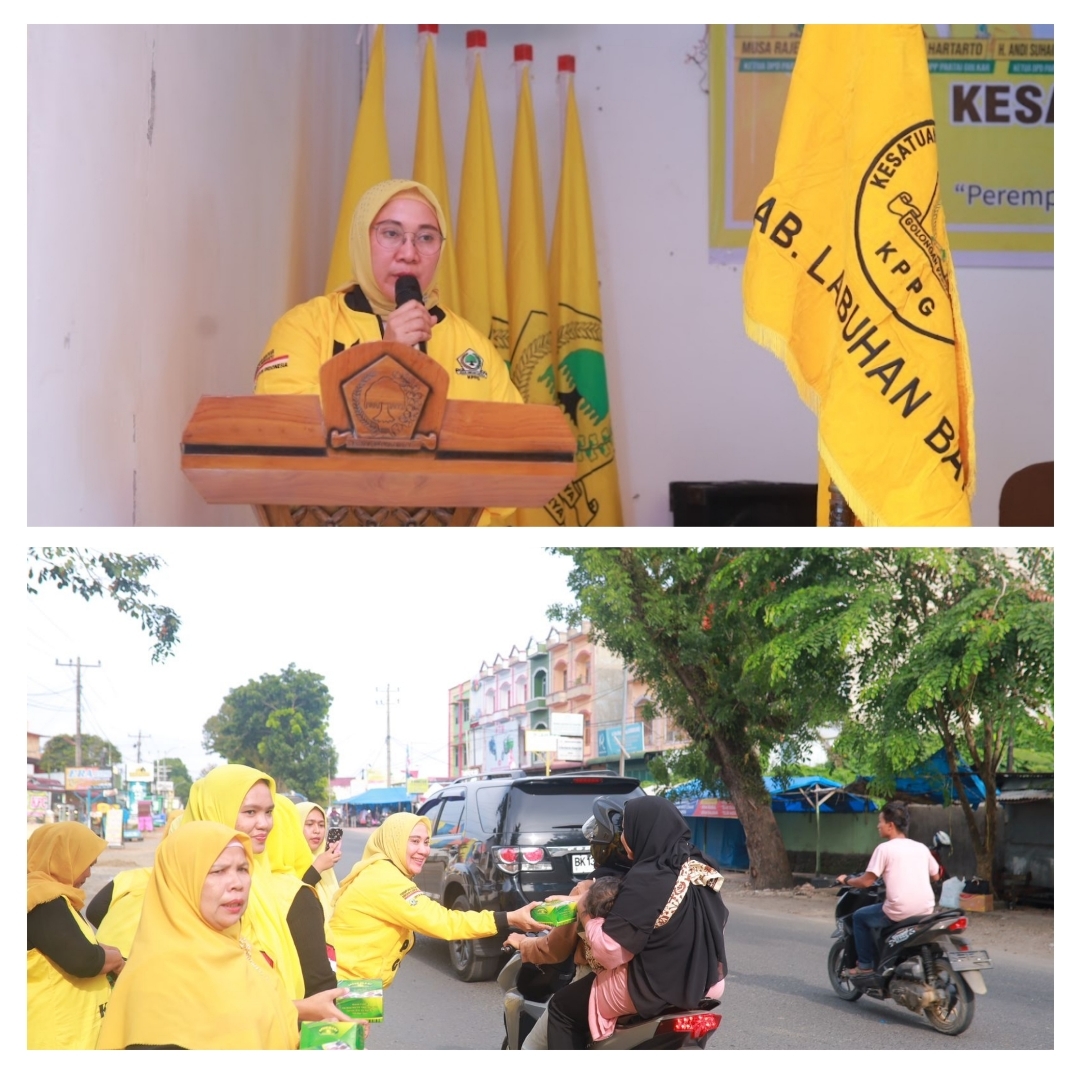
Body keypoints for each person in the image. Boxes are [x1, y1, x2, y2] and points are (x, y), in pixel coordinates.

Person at [254, 178, 522, 406]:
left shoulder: (473, 346)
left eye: (426, 237)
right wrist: (385, 361)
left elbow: (517, 444)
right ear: (361, 239)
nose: (408, 253)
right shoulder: (306, 326)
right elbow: (280, 423)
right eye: (391, 233)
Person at [545, 796, 729, 1049]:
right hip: (708, 983)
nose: (622, 838)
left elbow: (610, 952)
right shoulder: (702, 867)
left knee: (561, 1008)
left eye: (626, 830)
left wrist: (585, 911)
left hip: (655, 987)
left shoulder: (648, 878)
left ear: (643, 831)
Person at [96, 822, 299, 1049]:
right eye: (217, 871)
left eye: (242, 869)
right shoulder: (160, 980)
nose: (237, 883)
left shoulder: (238, 947)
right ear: (181, 882)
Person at [182, 765, 344, 1014]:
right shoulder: (181, 888)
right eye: (249, 811)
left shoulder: (263, 886)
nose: (265, 824)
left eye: (270, 813)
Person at [328, 813, 550, 987]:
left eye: (426, 842)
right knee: (339, 1045)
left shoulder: (381, 871)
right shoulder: (385, 879)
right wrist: (510, 918)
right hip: (340, 985)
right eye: (414, 841)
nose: (424, 850)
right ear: (393, 842)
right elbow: (444, 922)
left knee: (353, 1041)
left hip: (354, 983)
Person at [27, 822, 125, 1049]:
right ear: (62, 858)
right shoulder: (43, 900)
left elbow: (70, 945)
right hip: (56, 1034)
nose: (89, 873)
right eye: (85, 864)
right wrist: (117, 960)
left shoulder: (44, 894)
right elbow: (84, 960)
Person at [837, 800, 941, 976]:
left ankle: (865, 966)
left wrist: (846, 880)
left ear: (890, 825)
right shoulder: (921, 848)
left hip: (899, 910)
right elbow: (936, 876)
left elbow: (866, 882)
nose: (878, 826)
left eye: (881, 822)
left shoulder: (884, 849)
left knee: (860, 917)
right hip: (926, 909)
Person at [296, 801, 343, 921]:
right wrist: (317, 868)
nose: (317, 830)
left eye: (321, 825)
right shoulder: (289, 861)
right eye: (309, 824)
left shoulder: (324, 861)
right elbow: (294, 900)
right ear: (296, 826)